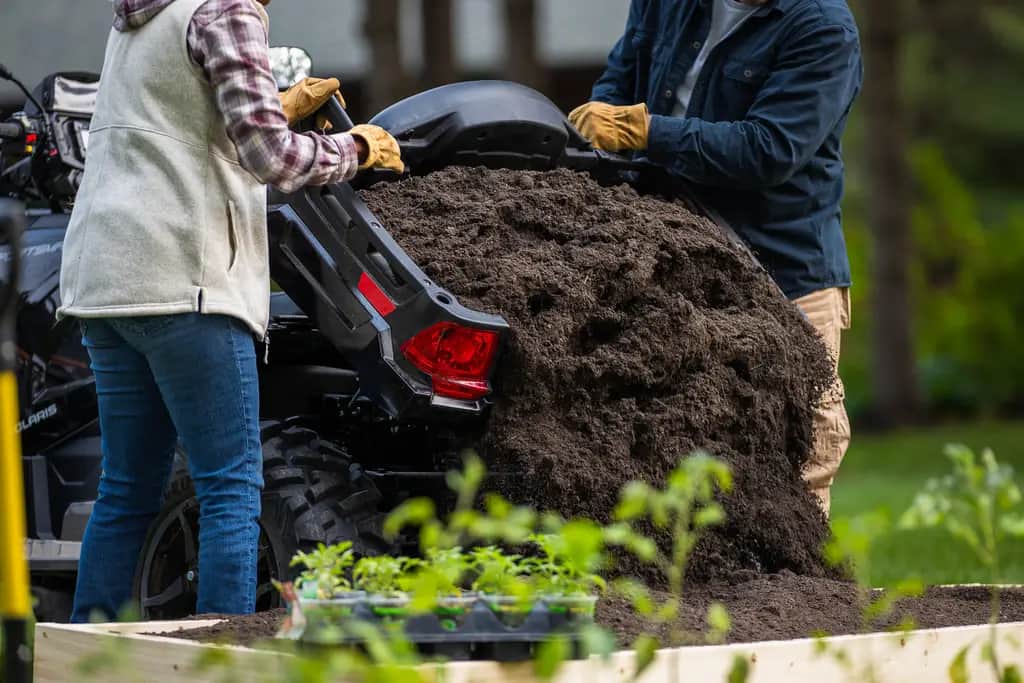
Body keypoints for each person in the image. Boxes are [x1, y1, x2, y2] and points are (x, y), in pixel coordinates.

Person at [60, 0, 403, 622]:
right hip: (185, 280)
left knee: (127, 491)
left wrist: (274, 109)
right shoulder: (229, 10)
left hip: (106, 282)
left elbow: (175, 118)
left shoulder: (140, 17)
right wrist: (357, 148)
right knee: (231, 489)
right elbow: (273, 160)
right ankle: (219, 660)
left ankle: (90, 654)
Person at [569, 0, 862, 514]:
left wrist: (648, 133)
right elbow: (619, 82)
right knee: (674, 457)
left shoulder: (822, 27)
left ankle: (802, 597)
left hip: (785, 276)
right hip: (676, 264)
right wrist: (603, 125)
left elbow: (768, 149)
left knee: (798, 469)